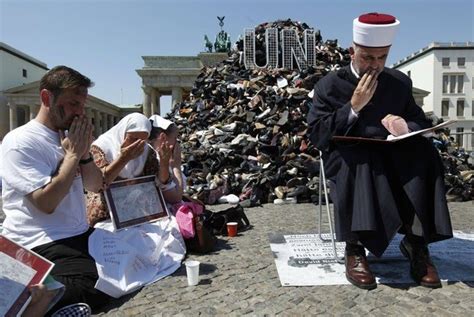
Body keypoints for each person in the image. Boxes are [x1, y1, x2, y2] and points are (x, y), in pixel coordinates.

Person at [307, 13, 452, 290]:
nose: (375, 66)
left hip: (393, 151)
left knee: (426, 155)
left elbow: (420, 122)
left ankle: (416, 244)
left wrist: (404, 125)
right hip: (349, 155)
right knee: (360, 160)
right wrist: (353, 107)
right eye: (368, 58)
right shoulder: (329, 85)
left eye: (381, 58)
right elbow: (317, 134)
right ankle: (355, 248)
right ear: (353, 51)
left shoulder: (398, 82)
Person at [1, 66, 112, 312]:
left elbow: (95, 186)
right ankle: (29, 297)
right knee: (95, 284)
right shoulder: (21, 142)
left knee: (128, 260)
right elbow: (45, 203)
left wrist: (84, 155)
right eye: (73, 104)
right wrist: (72, 156)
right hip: (40, 240)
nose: (79, 113)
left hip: (76, 233)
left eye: (82, 105)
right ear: (46, 98)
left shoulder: (70, 135)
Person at [86, 113, 184, 226]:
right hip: (107, 216)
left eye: (142, 140)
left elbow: (162, 182)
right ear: (123, 132)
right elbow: (98, 184)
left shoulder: (147, 151)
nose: (136, 144)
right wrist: (123, 158)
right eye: (132, 138)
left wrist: (164, 164)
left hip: (139, 214)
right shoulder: (101, 148)